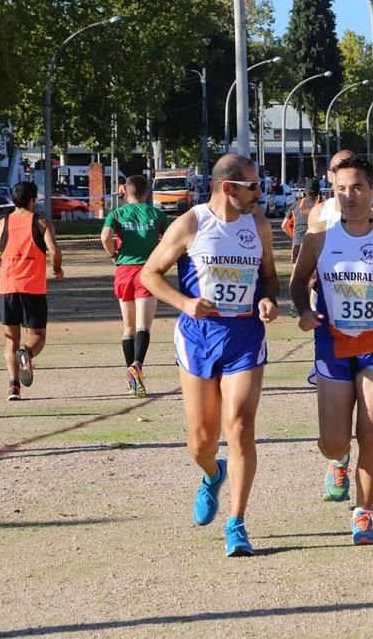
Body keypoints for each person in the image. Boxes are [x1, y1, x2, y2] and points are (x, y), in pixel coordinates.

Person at [140, 154, 279, 557]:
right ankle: (212, 473)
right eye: (253, 186)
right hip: (199, 337)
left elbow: (269, 274)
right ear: (228, 188)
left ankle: (237, 523)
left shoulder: (259, 226)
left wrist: (268, 298)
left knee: (239, 426)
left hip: (244, 337)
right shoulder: (191, 224)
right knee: (201, 442)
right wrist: (184, 303)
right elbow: (150, 274)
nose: (259, 192)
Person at [290, 155, 373, 545]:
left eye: (357, 188)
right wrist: (302, 310)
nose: (349, 196)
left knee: (371, 434)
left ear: (372, 192)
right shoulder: (319, 238)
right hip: (333, 344)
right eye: (341, 189)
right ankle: (339, 460)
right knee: (332, 440)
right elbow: (298, 282)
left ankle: (363, 512)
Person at [0, 181, 63, 401]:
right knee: (37, 336)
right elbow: (54, 250)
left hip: (7, 289)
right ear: (33, 200)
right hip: (32, 289)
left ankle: (13, 387)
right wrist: (58, 268)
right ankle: (28, 354)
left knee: (10, 340)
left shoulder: (1, 225)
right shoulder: (42, 223)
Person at [101, 175, 170, 397]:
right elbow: (170, 240)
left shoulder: (117, 213)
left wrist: (113, 254)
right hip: (147, 272)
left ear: (125, 192)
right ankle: (137, 364)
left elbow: (105, 236)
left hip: (123, 271)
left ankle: (130, 372)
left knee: (128, 328)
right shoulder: (157, 214)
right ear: (147, 192)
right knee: (144, 326)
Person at [281, 179, 318, 267]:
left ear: (305, 191)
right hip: (315, 244)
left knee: (296, 274)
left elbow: (284, 225)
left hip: (298, 242)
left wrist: (294, 236)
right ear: (319, 191)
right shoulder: (321, 205)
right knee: (314, 275)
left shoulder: (296, 205)